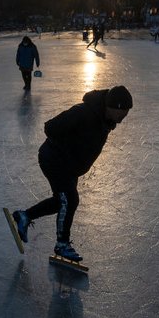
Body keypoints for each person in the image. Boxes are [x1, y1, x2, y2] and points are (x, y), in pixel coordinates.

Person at [11, 86, 133, 262]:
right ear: (114, 106)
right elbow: (51, 127)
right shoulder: (84, 112)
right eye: (124, 111)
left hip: (68, 167)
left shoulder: (105, 120)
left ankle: (25, 216)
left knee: (62, 201)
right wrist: (66, 154)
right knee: (70, 200)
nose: (125, 116)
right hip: (54, 161)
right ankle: (62, 244)